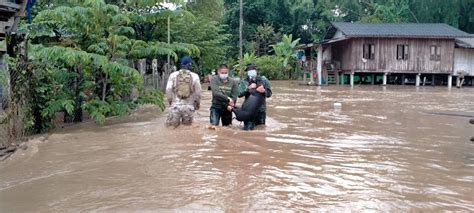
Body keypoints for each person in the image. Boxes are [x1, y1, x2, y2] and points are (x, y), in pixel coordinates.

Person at [165, 56, 201, 128]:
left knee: (172, 129)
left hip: (175, 107)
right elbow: (198, 93)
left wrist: (170, 102)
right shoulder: (195, 76)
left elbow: (168, 90)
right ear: (190, 65)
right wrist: (197, 104)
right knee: (187, 130)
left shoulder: (173, 75)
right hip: (189, 107)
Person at [238, 63, 272, 130]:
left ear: (256, 70)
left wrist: (264, 91)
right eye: (249, 70)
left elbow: (269, 94)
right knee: (248, 130)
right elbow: (239, 94)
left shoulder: (264, 80)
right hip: (248, 110)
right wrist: (248, 89)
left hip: (261, 110)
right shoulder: (244, 82)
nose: (251, 71)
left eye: (253, 69)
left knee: (261, 130)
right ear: (247, 72)